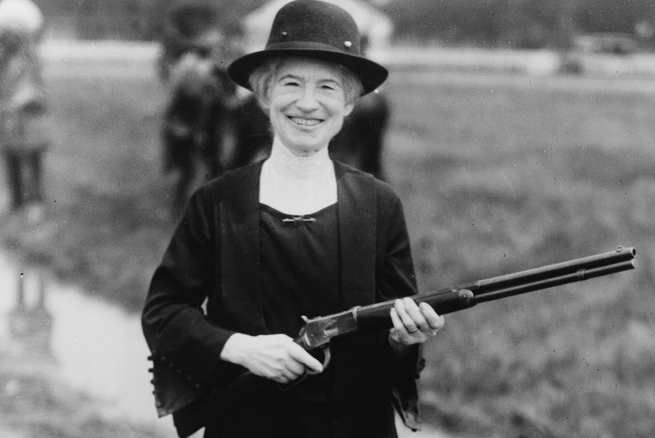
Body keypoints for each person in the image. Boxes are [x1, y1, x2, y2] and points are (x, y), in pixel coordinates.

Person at [141, 1, 447, 437]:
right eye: (291, 83)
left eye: (327, 87)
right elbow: (164, 313)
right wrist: (241, 349)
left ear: (349, 103)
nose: (307, 103)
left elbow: (389, 339)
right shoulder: (217, 202)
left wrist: (404, 338)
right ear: (264, 95)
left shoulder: (379, 205)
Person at [0, 0, 50, 218]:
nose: (10, 40)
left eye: (15, 35)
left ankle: (36, 201)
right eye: (6, 36)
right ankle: (16, 201)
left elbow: (41, 88)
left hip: (30, 116)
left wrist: (28, 97)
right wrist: (1, 101)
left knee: (33, 159)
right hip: (9, 118)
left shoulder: (31, 60)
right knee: (11, 159)